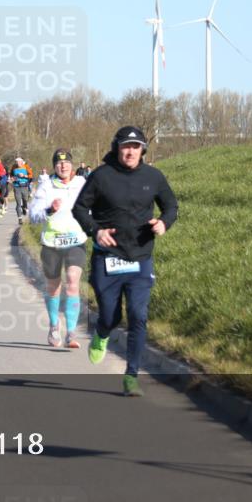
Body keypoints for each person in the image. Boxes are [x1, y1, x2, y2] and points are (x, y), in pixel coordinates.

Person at [73, 125, 178, 396]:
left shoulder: (153, 176)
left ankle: (131, 376)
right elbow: (80, 208)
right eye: (125, 146)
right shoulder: (101, 176)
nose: (130, 152)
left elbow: (171, 206)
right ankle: (102, 333)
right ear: (116, 148)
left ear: (143, 150)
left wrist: (164, 223)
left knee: (138, 315)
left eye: (135, 147)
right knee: (110, 315)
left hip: (140, 258)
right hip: (107, 258)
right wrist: (96, 230)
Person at [29, 149, 88, 348]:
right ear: (54, 166)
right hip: (51, 243)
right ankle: (54, 326)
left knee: (72, 281)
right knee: (53, 287)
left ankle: (71, 332)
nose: (63, 166)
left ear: (72, 165)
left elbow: (94, 206)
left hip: (75, 240)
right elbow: (33, 215)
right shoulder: (46, 186)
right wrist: (49, 210)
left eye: (66, 162)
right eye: (59, 163)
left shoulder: (82, 183)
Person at [10, 157, 34, 224]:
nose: (17, 163)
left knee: (25, 200)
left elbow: (31, 176)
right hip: (16, 187)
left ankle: (24, 207)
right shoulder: (14, 167)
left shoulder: (26, 166)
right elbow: (11, 176)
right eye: (16, 162)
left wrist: (24, 175)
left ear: (21, 162)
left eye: (18, 162)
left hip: (24, 186)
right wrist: (12, 179)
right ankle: (20, 219)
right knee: (18, 203)